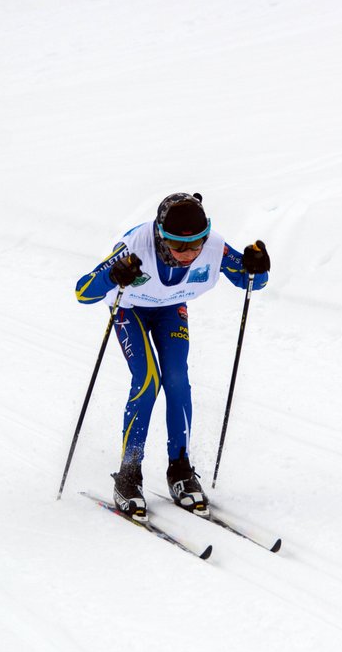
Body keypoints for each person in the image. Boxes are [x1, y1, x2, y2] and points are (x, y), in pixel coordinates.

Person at [75, 192, 270, 520]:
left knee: (178, 380)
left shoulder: (214, 246)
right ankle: (128, 475)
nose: (189, 254)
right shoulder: (135, 247)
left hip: (170, 307)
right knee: (148, 380)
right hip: (130, 309)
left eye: (196, 244)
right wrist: (112, 275)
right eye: (179, 245)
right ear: (161, 236)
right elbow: (83, 292)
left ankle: (180, 470)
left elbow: (250, 280)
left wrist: (258, 267)